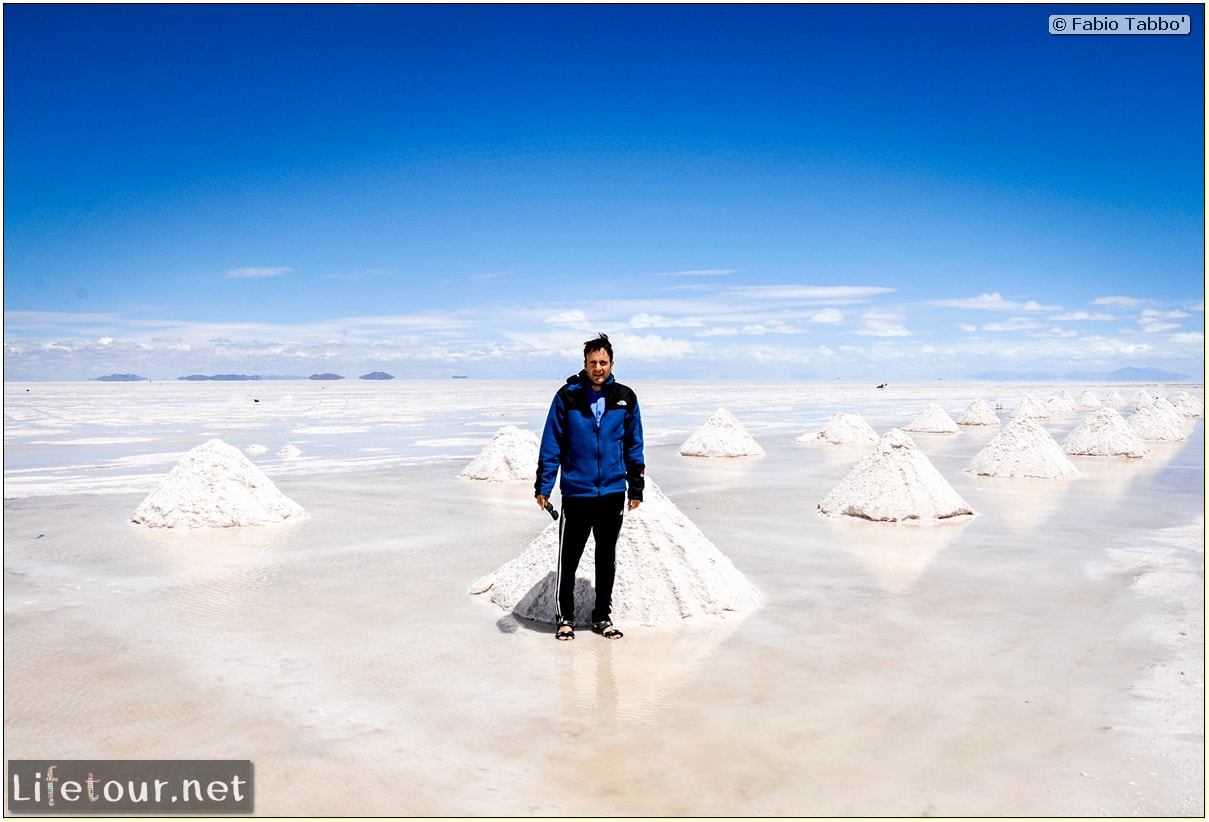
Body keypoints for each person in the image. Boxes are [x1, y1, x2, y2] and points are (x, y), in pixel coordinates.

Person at [535, 333, 644, 641]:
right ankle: (565, 618)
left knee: (605, 559)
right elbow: (551, 442)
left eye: (603, 362)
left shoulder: (625, 397)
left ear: (611, 363)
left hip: (611, 493)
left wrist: (635, 487)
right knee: (568, 558)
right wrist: (544, 484)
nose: (598, 367)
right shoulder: (567, 396)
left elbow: (634, 444)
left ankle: (602, 617)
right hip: (577, 493)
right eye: (593, 362)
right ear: (584, 364)